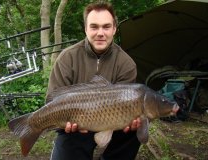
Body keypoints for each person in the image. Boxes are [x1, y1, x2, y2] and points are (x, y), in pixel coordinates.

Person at [46, 1, 141, 160]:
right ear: (85, 29)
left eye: (106, 26)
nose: (100, 33)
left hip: (112, 124)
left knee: (136, 129)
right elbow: (51, 100)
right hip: (75, 127)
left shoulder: (126, 63)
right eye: (94, 27)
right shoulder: (67, 58)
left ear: (114, 29)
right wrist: (65, 124)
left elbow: (128, 103)